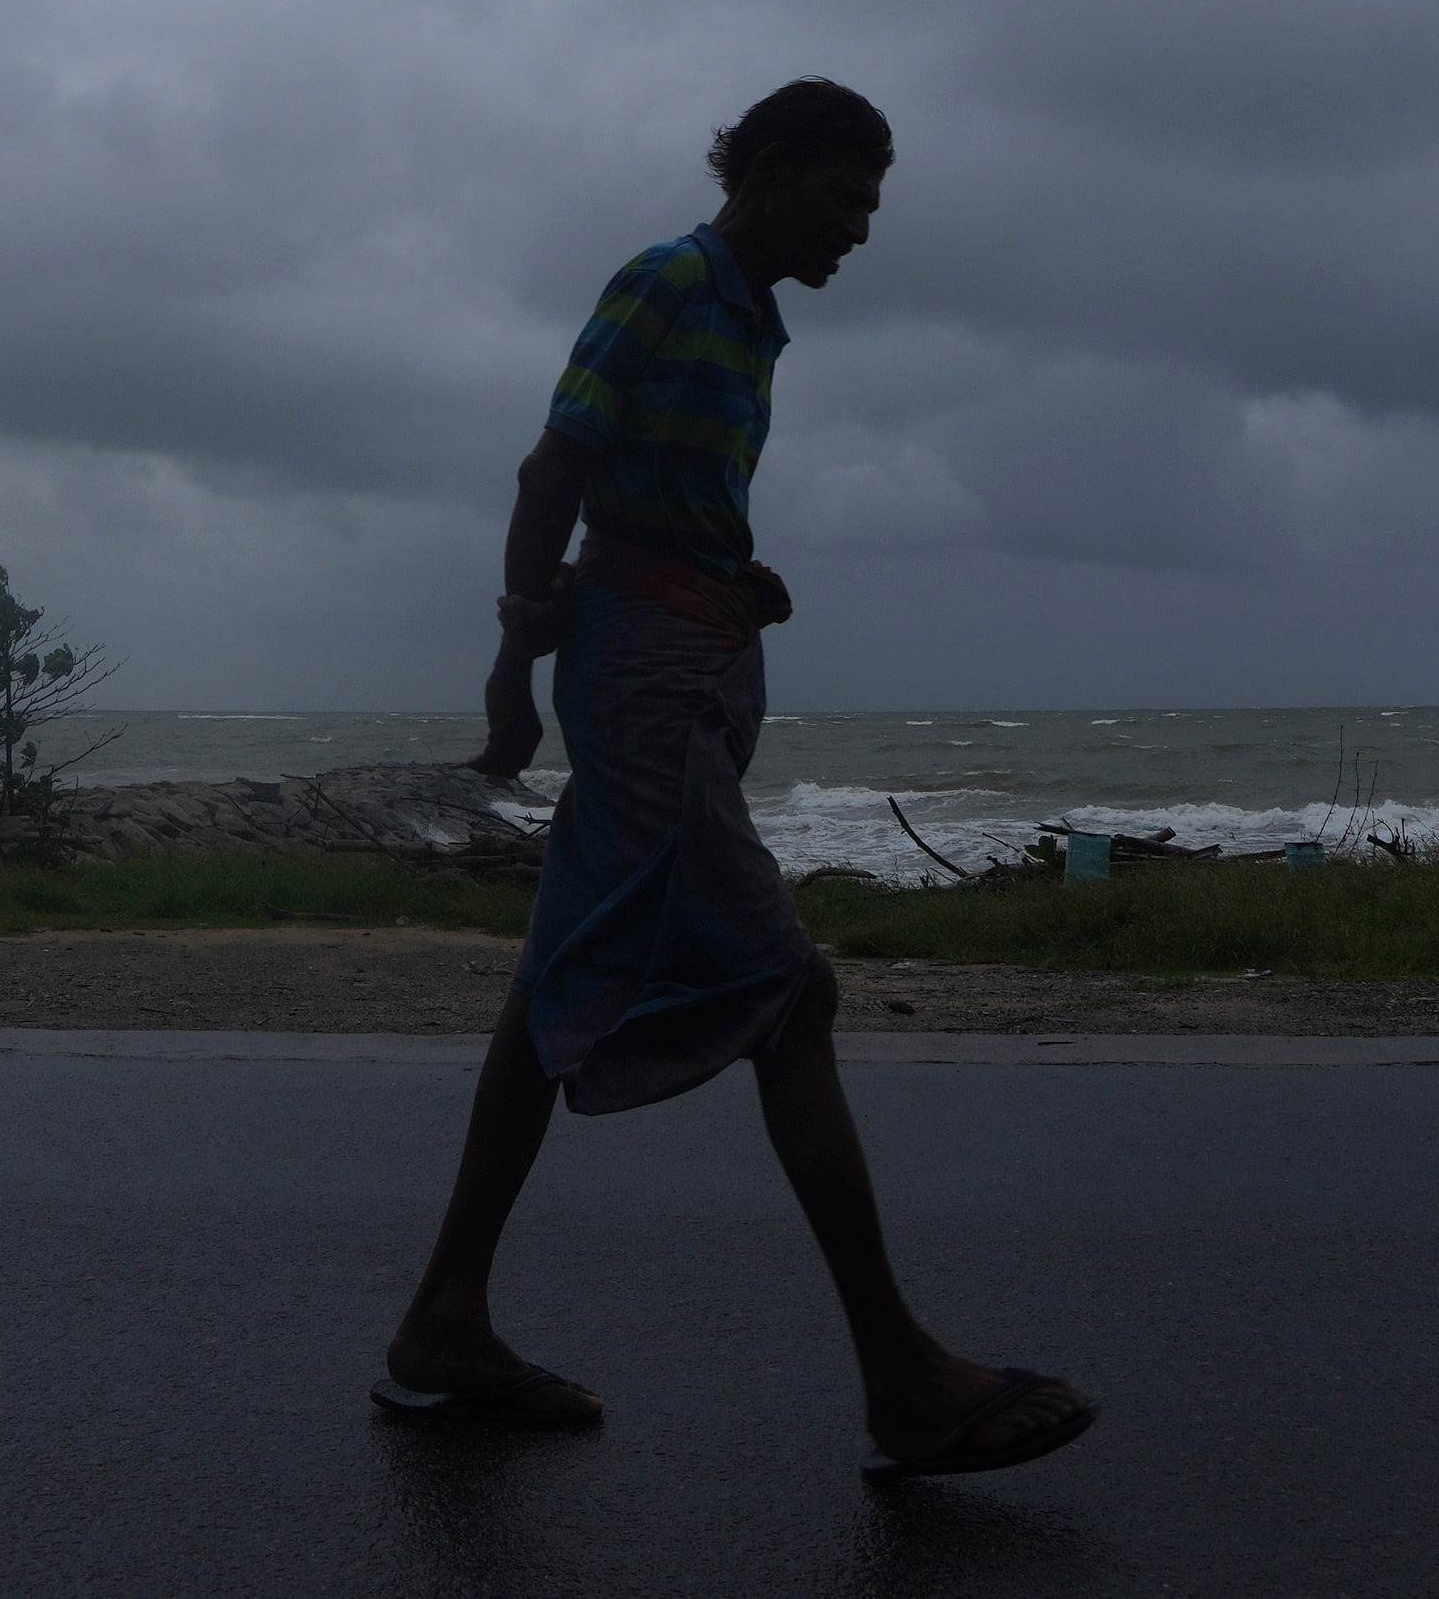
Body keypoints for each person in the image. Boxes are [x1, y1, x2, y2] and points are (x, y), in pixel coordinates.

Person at [379, 78, 1095, 1481]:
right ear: (770, 173)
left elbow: (650, 489)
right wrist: (513, 670)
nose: (862, 228)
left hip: (690, 661)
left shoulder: (755, 317)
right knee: (795, 989)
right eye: (844, 196)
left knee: (556, 979)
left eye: (873, 204)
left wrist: (721, 565)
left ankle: (444, 1319)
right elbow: (555, 466)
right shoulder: (666, 280)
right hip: (641, 677)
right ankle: (901, 1374)